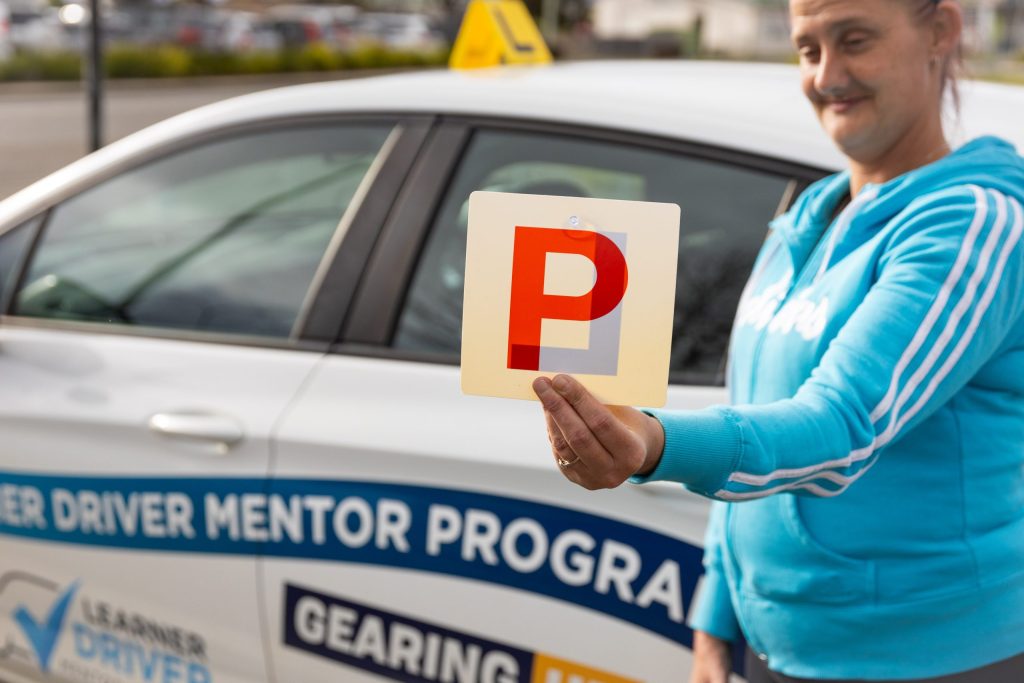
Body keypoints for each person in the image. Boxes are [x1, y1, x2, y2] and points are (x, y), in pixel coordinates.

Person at [532, 0, 1024, 681]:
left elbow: (841, 427)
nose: (827, 75)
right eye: (807, 49)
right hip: (775, 648)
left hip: (926, 658)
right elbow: (754, 400)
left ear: (940, 32)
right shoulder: (805, 219)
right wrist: (716, 614)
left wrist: (652, 442)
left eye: (855, 40)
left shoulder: (974, 222)